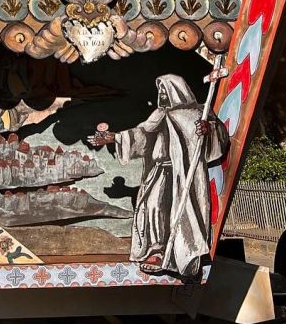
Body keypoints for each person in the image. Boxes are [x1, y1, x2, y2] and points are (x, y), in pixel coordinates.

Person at [88, 75, 228, 279]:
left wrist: (209, 130)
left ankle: (181, 256)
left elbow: (218, 140)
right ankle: (157, 250)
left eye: (165, 90)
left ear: (176, 90)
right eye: (160, 91)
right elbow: (142, 134)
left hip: (183, 174)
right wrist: (115, 138)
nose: (161, 95)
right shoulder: (159, 115)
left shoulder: (197, 114)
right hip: (160, 171)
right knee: (153, 207)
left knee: (181, 214)